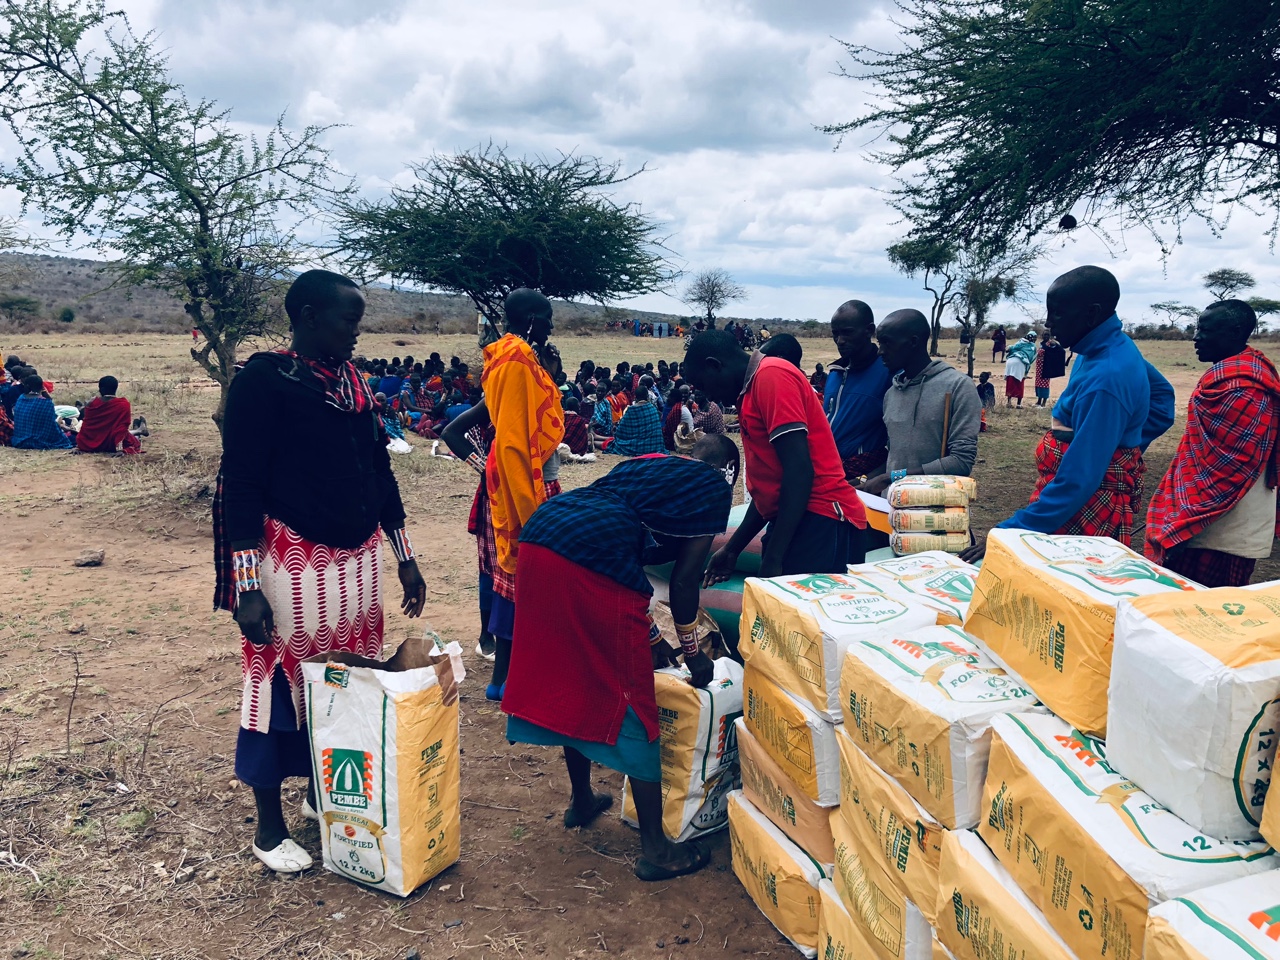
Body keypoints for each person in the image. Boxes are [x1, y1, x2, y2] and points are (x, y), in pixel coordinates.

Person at [214, 269, 427, 873]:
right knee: (280, 686)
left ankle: (322, 791)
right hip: (292, 561)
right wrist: (247, 587)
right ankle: (268, 828)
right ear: (309, 317)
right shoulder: (263, 381)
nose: (356, 332)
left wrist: (405, 556)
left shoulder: (353, 385)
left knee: (345, 681)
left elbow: (379, 474)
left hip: (357, 565)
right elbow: (242, 483)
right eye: (347, 320)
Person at [503, 436, 738, 881]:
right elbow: (684, 582)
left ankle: (582, 800)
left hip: (540, 539)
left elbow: (622, 572)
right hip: (591, 555)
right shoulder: (713, 487)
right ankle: (657, 850)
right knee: (633, 695)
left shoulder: (648, 466)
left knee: (574, 675)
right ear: (729, 472)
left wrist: (651, 636)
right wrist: (694, 656)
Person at [961, 266, 1175, 562]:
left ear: (1092, 313)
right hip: (1077, 491)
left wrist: (1011, 532)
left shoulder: (1107, 378)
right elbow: (1163, 401)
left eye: (1058, 313)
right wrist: (1118, 444)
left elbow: (1078, 480)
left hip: (1083, 505)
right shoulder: (1107, 347)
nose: (1049, 323)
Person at [443, 289, 565, 701]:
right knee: (517, 581)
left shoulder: (513, 360)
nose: (551, 326)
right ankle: (505, 679)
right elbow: (513, 443)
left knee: (512, 582)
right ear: (530, 319)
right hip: (523, 488)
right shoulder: (515, 361)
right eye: (546, 317)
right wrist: (531, 513)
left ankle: (508, 675)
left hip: (521, 483)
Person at [685, 331, 868, 579]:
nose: (708, 396)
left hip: (823, 517)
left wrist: (774, 557)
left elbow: (799, 472)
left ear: (714, 365)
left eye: (703, 386)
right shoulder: (749, 392)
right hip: (798, 517)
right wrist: (732, 548)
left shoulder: (772, 376)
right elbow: (770, 489)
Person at [1145, 300, 1280, 586]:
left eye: (1205, 330)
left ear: (1234, 333)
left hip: (1225, 523)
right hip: (1207, 514)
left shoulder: (1244, 388)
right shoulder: (1233, 374)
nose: (1196, 337)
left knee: (1206, 604)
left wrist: (1183, 524)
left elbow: (1230, 470)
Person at [860, 310, 981, 494]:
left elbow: (961, 462)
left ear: (913, 342)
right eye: (879, 343)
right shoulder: (892, 393)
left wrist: (892, 477)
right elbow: (895, 457)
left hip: (934, 506)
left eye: (887, 343)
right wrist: (863, 480)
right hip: (890, 505)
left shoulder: (958, 386)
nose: (880, 351)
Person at [823, 300, 892, 483]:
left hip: (863, 476)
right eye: (835, 334)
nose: (840, 341)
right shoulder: (835, 373)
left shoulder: (888, 373)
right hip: (828, 470)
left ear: (869, 330)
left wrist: (866, 479)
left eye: (847, 333)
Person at [75, 376, 142, 454]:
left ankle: (139, 429)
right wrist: (119, 449)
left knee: (129, 436)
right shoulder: (123, 404)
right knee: (132, 441)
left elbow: (86, 427)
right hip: (112, 444)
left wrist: (79, 446)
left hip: (91, 444)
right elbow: (121, 429)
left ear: (101, 389)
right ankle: (139, 430)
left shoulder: (92, 403)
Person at [12, 374, 73, 449]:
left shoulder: (21, 399)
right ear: (42, 386)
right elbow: (52, 427)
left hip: (20, 441)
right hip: (39, 441)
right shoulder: (45, 403)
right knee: (72, 437)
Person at [609, 385, 666, 456]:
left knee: (614, 443)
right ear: (647, 396)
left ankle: (596, 440)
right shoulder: (652, 408)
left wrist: (616, 429)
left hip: (636, 446)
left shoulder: (632, 410)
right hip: (654, 445)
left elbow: (621, 431)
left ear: (635, 397)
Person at [1003, 331, 1037, 407]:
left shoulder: (1020, 342)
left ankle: (1009, 403)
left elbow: (1010, 348)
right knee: (1020, 382)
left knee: (1010, 381)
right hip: (1020, 362)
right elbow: (1031, 359)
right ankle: (1018, 404)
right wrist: (1026, 371)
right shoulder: (1032, 346)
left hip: (1010, 361)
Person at [1034, 334, 1066, 407]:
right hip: (1039, 368)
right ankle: (1039, 401)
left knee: (1044, 384)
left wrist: (1055, 345)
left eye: (1047, 335)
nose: (1045, 337)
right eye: (1044, 335)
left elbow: (1061, 350)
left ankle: (1043, 403)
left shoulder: (1051, 344)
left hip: (1046, 367)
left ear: (1049, 336)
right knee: (1038, 383)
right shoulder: (1042, 344)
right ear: (1042, 336)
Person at [662, 384, 693, 451]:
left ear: (674, 398)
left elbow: (672, 429)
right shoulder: (680, 406)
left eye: (669, 397)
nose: (668, 399)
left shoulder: (677, 409)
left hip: (685, 439)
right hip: (687, 435)